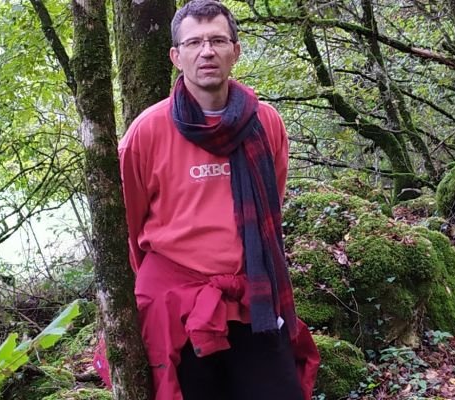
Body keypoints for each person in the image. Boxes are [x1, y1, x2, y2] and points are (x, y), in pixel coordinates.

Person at [102, 1, 319, 399]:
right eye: (195, 42)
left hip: (249, 291)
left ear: (235, 51)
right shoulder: (147, 131)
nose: (207, 51)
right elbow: (129, 226)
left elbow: (273, 206)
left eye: (218, 40)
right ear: (176, 55)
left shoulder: (265, 122)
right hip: (176, 303)